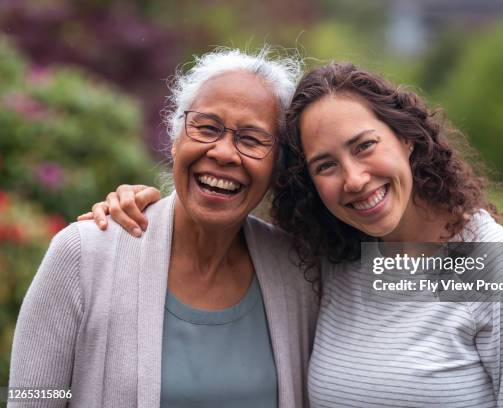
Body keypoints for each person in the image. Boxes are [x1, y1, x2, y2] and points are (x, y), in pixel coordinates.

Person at [83, 63, 503, 407]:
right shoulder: (330, 261)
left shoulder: (495, 266)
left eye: (365, 146)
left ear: (408, 137)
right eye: (325, 166)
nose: (354, 179)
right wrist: (144, 203)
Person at [9, 49, 318, 408]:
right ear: (175, 139)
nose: (223, 152)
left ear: (277, 167)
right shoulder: (83, 255)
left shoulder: (300, 273)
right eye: (207, 127)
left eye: (251, 139)